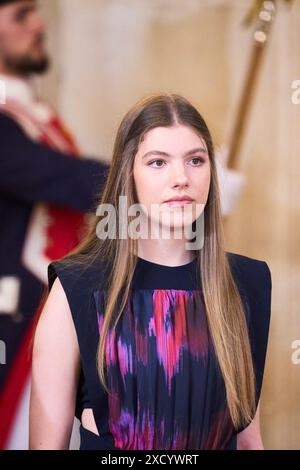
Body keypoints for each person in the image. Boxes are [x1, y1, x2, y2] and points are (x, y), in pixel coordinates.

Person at [30, 93, 272, 450]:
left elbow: (249, 439)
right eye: (158, 162)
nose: (181, 179)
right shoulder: (78, 288)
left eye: (195, 160)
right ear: (128, 175)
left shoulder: (246, 284)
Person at [0, 0, 108, 449]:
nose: (39, 24)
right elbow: (61, 178)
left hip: (51, 304)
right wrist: (159, 175)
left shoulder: (31, 114)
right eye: (21, 15)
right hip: (15, 311)